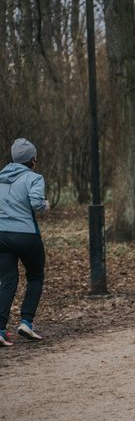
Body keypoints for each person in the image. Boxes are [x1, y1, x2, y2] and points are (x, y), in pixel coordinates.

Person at [0, 138, 50, 346]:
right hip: (27, 235)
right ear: (32, 159)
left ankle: (0, 330)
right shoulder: (34, 178)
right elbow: (37, 203)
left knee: (8, 281)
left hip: (2, 236)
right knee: (36, 276)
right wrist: (45, 205)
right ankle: (26, 322)